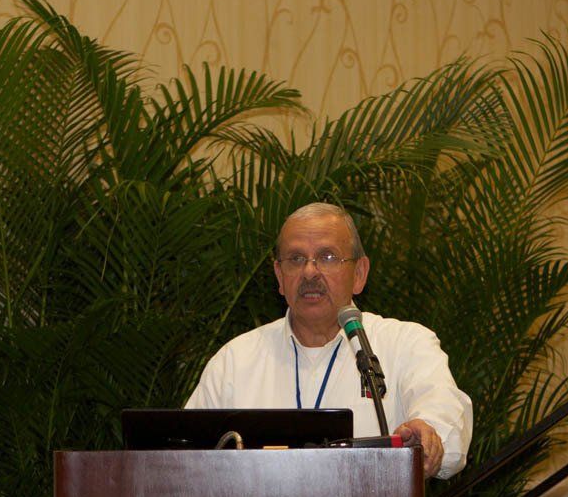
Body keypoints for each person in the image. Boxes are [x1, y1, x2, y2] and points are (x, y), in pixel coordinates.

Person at [186, 202, 472, 479]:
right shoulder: (235, 361)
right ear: (280, 276)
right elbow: (182, 457)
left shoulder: (405, 344)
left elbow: (442, 411)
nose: (310, 272)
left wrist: (428, 434)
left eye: (328, 257)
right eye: (296, 259)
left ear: (359, 274)